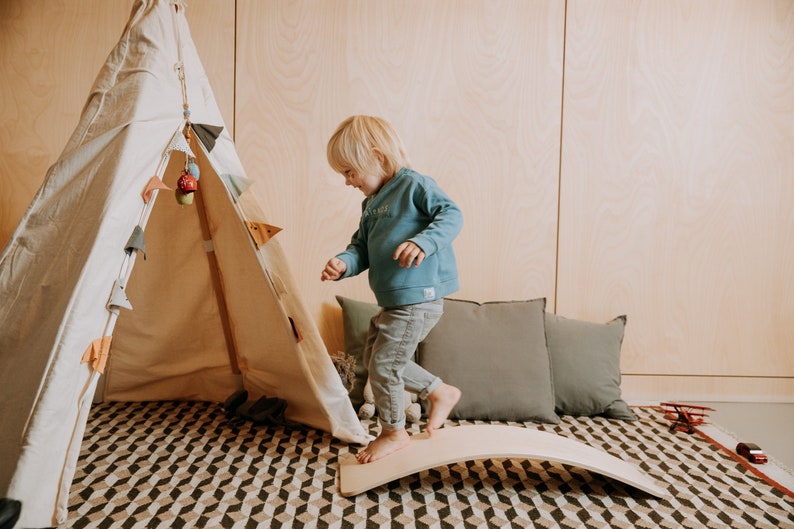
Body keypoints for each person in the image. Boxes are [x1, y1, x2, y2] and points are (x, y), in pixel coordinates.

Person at [321, 115, 462, 464]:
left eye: (350, 172)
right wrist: (344, 262)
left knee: (385, 366)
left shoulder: (414, 185)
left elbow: (451, 214)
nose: (347, 182)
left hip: (419, 298)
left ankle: (393, 432)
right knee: (377, 362)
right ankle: (441, 392)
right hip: (396, 300)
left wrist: (424, 242)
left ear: (377, 157)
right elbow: (360, 249)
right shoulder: (370, 205)